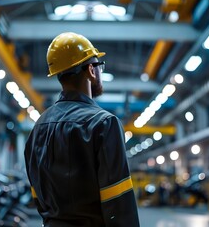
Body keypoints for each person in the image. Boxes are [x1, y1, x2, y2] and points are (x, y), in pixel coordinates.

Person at [24, 32, 140, 227]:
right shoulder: (104, 123)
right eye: (99, 66)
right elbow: (118, 201)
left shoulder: (39, 126)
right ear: (91, 70)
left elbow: (37, 192)